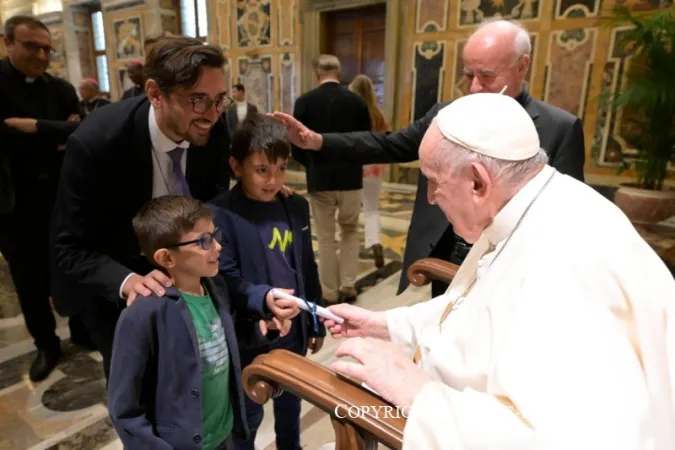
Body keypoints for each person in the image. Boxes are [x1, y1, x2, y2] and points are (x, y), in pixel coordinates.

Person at [323, 92, 675, 449]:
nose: (430, 197)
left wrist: (412, 388)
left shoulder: (563, 264)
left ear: (478, 182)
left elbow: (559, 437)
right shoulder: (536, 203)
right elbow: (474, 307)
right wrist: (385, 325)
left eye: (433, 180)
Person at [273, 19, 586, 297]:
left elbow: (565, 218)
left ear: (522, 65)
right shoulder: (446, 114)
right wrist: (318, 141)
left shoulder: (560, 129)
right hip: (447, 258)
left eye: (486, 75)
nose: (474, 87)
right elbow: (389, 144)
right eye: (468, 74)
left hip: (511, 271)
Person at [51, 37, 233, 379]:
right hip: (121, 291)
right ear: (154, 93)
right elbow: (70, 247)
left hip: (191, 278)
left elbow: (215, 198)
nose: (211, 115)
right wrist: (128, 280)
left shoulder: (211, 128)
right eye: (197, 100)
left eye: (219, 100)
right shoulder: (97, 144)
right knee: (139, 385)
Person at [209, 113, 324, 450]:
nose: (272, 180)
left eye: (280, 169)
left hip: (294, 332)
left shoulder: (295, 206)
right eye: (261, 170)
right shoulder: (218, 214)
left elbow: (306, 265)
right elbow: (224, 277)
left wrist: (315, 320)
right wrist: (264, 299)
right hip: (252, 336)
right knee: (247, 416)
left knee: (290, 407)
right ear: (236, 166)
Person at [108, 196, 249, 450]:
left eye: (214, 235)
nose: (217, 247)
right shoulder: (143, 313)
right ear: (166, 258)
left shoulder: (215, 287)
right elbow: (125, 408)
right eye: (204, 241)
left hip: (224, 435)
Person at [0, 15, 88, 381]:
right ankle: (46, 345)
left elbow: (82, 131)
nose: (40, 55)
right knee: (29, 279)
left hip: (60, 200)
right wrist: (57, 134)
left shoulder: (61, 88)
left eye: (46, 48)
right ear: (7, 43)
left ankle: (83, 330)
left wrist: (35, 127)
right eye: (30, 46)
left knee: (74, 268)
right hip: (14, 205)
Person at [291, 55, 371, 303]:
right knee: (349, 231)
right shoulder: (356, 101)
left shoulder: (304, 102)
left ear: (317, 75)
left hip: (320, 180)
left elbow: (296, 145)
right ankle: (348, 286)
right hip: (351, 178)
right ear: (338, 73)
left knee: (325, 237)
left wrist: (312, 165)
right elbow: (367, 141)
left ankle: (329, 292)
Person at [349, 74, 388, 268]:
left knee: (351, 212)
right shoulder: (378, 114)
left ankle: (352, 249)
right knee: (372, 210)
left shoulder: (352, 112)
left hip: (354, 168)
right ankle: (375, 243)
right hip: (373, 169)